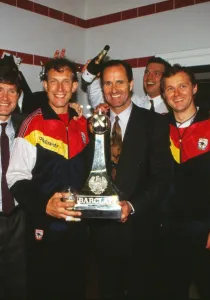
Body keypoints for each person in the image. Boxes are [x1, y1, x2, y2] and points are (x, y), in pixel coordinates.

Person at [87, 59, 172, 300]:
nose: (113, 89)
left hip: (141, 228)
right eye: (108, 83)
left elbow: (162, 177)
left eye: (120, 82)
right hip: (102, 231)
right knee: (106, 289)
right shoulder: (94, 123)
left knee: (141, 290)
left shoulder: (154, 122)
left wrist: (132, 206)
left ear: (131, 84)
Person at [7, 57, 90, 300]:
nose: (60, 89)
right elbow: (16, 177)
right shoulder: (32, 124)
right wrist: (45, 204)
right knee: (44, 288)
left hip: (78, 227)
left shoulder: (83, 124)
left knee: (76, 287)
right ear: (44, 85)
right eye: (54, 81)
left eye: (66, 82)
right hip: (44, 227)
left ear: (75, 86)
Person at [160, 64, 210, 300]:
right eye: (170, 89)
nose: (177, 94)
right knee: (172, 289)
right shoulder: (158, 125)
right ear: (164, 94)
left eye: (183, 86)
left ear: (194, 88)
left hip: (205, 228)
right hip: (168, 228)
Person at [0, 65, 27, 300]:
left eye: (11, 91)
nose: (4, 97)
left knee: (18, 283)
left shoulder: (24, 126)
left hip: (18, 218)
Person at [84, 56, 171, 114]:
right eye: (147, 72)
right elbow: (97, 100)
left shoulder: (172, 106)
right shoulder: (135, 102)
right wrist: (94, 77)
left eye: (156, 73)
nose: (149, 77)